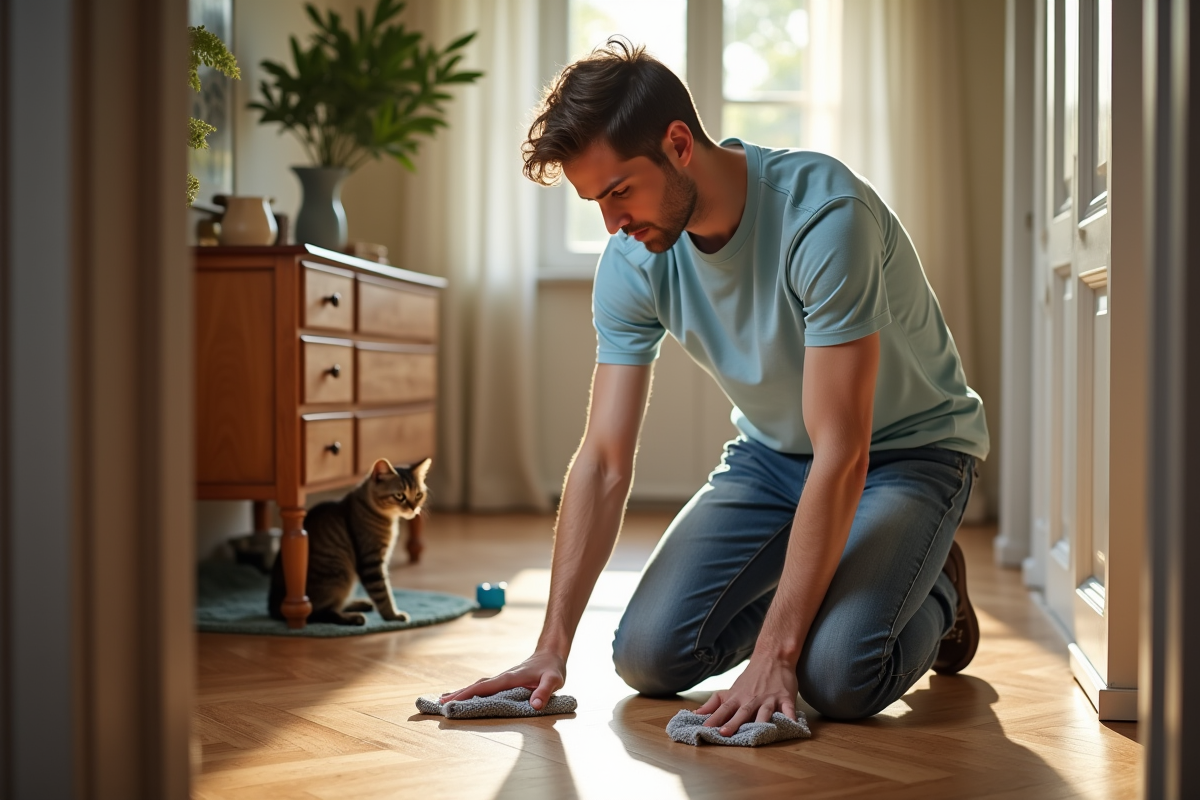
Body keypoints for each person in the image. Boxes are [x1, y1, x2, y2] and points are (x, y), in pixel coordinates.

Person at [442, 38, 989, 733]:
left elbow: (845, 451)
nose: (612, 223)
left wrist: (775, 652)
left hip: (907, 455)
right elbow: (605, 459)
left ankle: (935, 591)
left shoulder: (824, 218)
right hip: (771, 461)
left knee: (836, 678)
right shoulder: (633, 258)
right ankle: (851, 579)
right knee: (648, 658)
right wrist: (551, 647)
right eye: (595, 202)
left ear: (677, 144)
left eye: (618, 192)